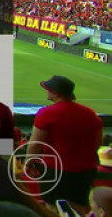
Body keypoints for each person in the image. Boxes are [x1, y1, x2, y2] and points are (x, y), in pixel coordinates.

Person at [28, 75, 103, 215]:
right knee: (78, 208)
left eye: (48, 89)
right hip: (85, 172)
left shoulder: (47, 113)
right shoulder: (90, 113)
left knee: (52, 208)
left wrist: (29, 162)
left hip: (55, 171)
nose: (46, 92)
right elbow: (98, 143)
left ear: (55, 93)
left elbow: (35, 145)